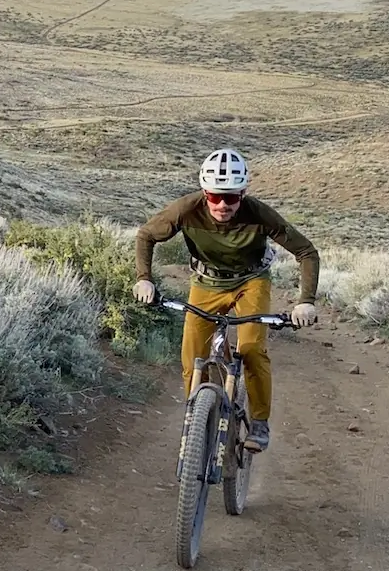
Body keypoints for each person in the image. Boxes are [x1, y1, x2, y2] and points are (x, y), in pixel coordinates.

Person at [132, 148, 320, 452]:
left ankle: (259, 423)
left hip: (251, 281)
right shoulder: (186, 209)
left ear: (243, 193)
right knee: (192, 356)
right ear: (205, 193)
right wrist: (144, 279)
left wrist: (305, 301)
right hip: (206, 283)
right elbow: (146, 235)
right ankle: (198, 416)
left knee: (251, 349)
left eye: (231, 197)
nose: (222, 204)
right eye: (215, 196)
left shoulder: (258, 213)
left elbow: (306, 252)